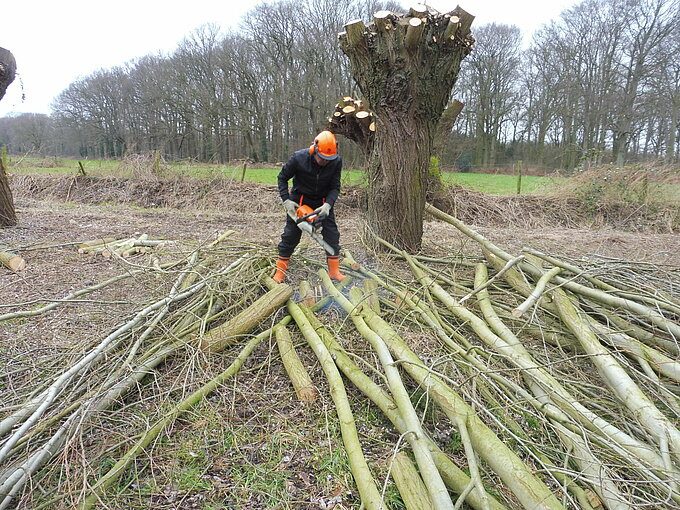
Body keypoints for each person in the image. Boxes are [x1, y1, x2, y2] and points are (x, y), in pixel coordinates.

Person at [273, 130, 346, 283]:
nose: (325, 161)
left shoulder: (336, 161)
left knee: (332, 235)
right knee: (290, 236)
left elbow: (335, 187)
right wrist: (286, 200)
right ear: (314, 149)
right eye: (322, 158)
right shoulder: (299, 158)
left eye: (329, 159)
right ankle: (280, 272)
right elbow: (282, 178)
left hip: (323, 202)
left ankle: (334, 271)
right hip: (300, 201)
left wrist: (328, 205)